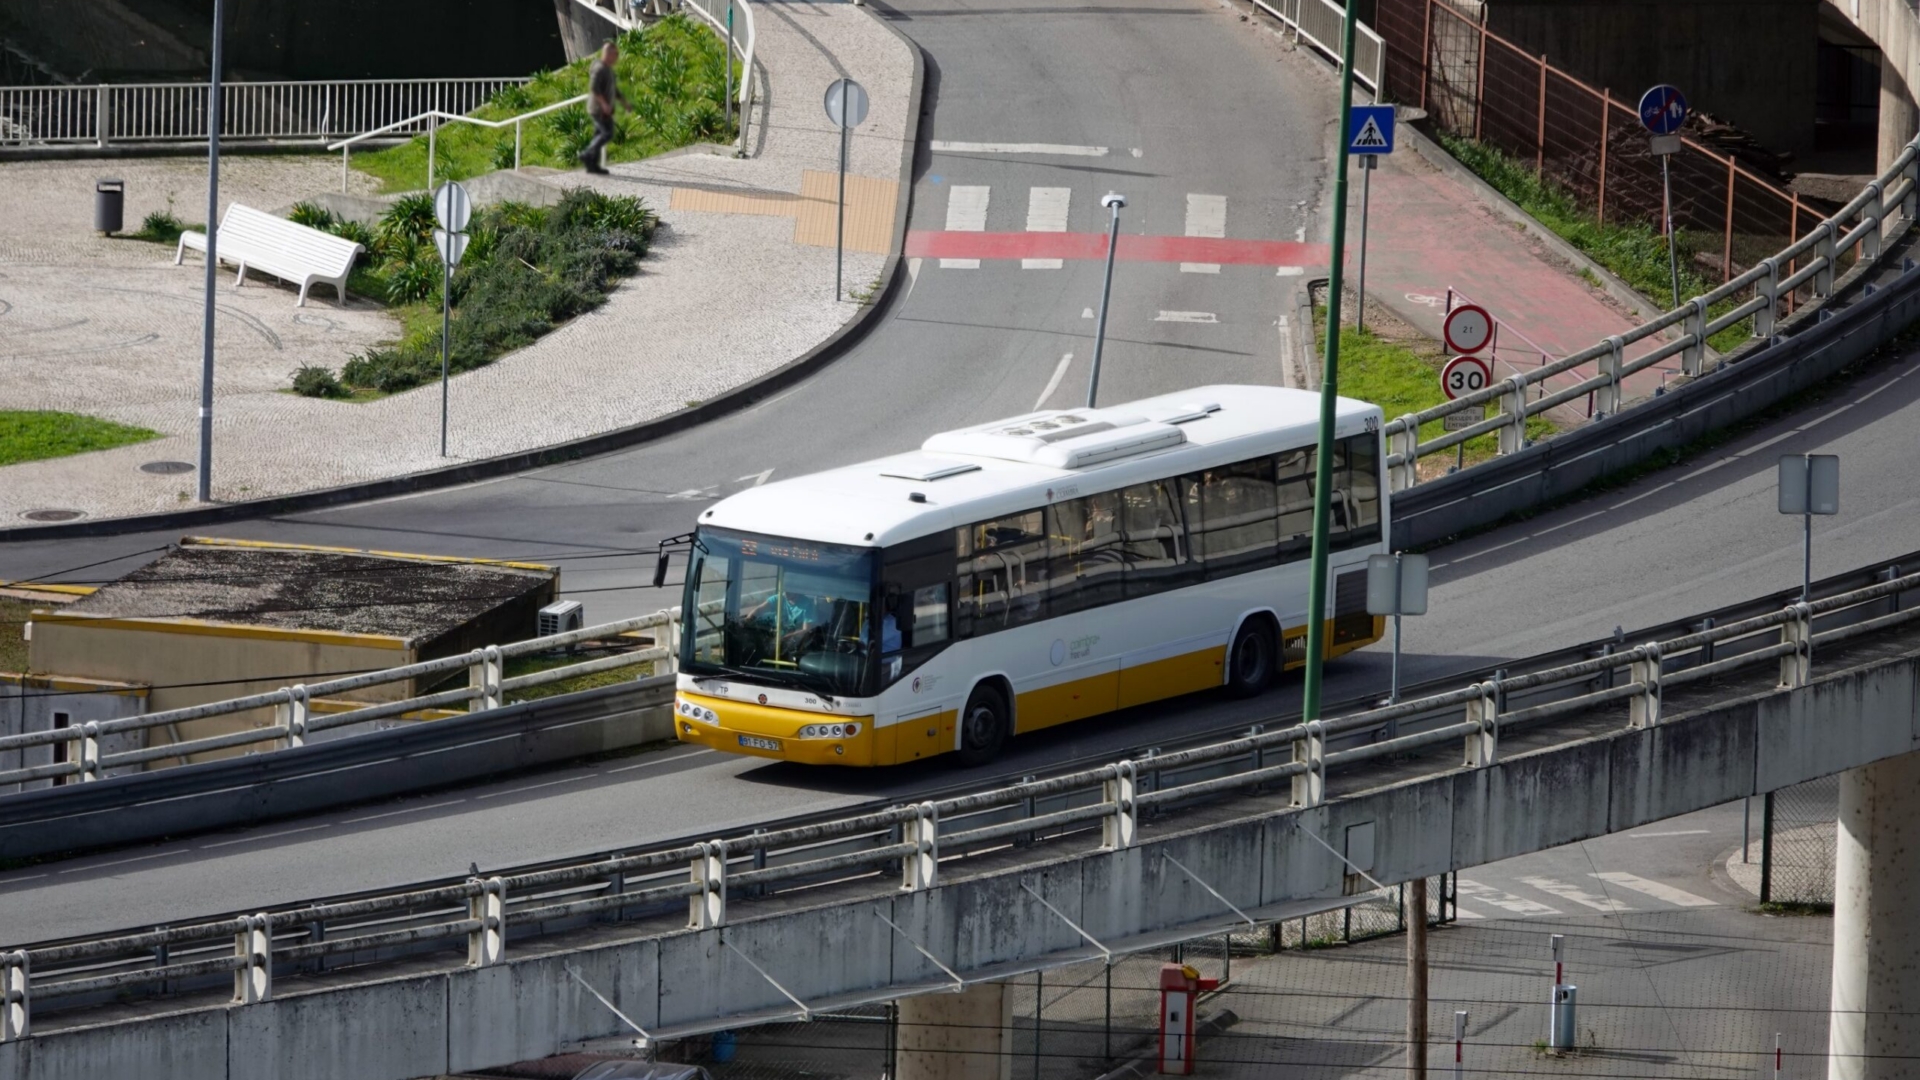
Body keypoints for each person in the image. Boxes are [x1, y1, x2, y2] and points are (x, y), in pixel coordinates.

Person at [580, 41, 632, 175]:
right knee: (607, 133)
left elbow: (614, 89)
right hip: (598, 109)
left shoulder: (608, 69)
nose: (617, 57)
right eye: (616, 54)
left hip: (604, 110)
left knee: (599, 135)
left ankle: (592, 165)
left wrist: (624, 103)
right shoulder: (599, 68)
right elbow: (594, 87)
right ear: (609, 54)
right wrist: (604, 104)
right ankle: (587, 154)